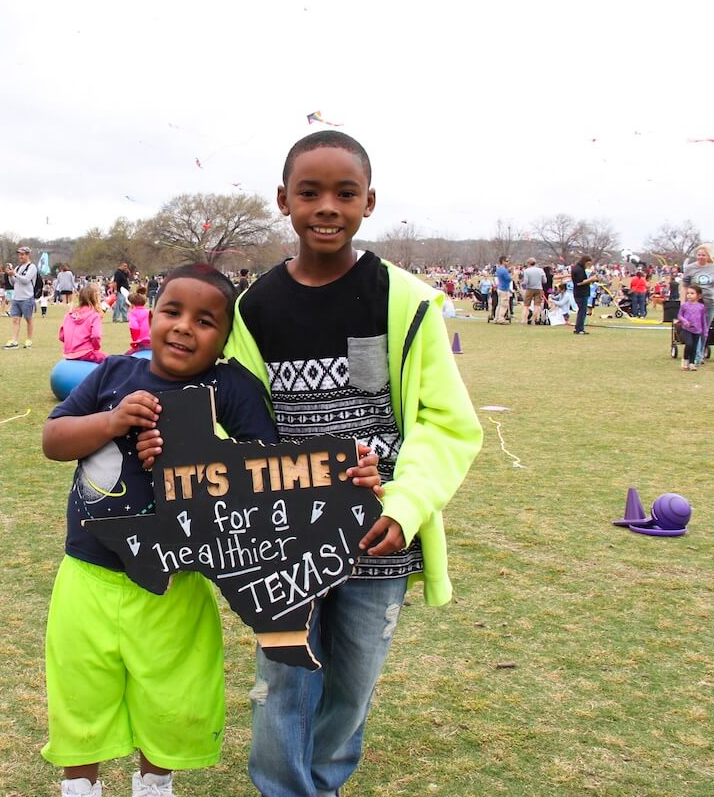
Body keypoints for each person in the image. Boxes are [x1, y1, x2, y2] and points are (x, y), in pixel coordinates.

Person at [212, 130, 481, 797]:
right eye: (310, 192)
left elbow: (448, 424)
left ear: (369, 203)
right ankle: (284, 788)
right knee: (284, 678)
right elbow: (241, 422)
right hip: (287, 535)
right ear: (283, 201)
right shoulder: (257, 308)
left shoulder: (406, 301)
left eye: (344, 193)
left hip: (378, 534)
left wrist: (405, 504)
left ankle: (325, 781)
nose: (327, 206)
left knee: (354, 680)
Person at [41, 265, 281, 797]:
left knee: (171, 693)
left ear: (225, 338)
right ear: (151, 314)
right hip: (89, 569)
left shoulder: (232, 388)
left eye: (205, 320)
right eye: (172, 311)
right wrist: (112, 422)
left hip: (178, 579)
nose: (183, 328)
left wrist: (196, 459)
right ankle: (79, 787)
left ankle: (154, 783)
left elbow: (268, 471)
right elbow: (54, 439)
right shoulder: (115, 374)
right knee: (82, 688)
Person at [684, 243, 714, 365]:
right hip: (695, 303)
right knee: (696, 329)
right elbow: (684, 285)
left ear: (708, 256)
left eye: (703, 255)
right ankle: (697, 356)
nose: (700, 257)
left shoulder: (713, 268)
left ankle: (700, 351)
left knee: (704, 330)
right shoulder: (690, 268)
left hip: (710, 302)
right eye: (699, 255)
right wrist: (684, 301)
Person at [59, 283, 107, 363]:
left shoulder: (69, 315)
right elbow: (96, 335)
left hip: (68, 354)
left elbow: (61, 336)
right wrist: (96, 348)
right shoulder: (94, 316)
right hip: (86, 353)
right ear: (96, 298)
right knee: (111, 361)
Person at [4, 247, 37, 349]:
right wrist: (10, 275)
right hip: (16, 297)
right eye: (19, 255)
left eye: (22, 254)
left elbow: (26, 280)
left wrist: (15, 274)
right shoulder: (18, 268)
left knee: (29, 319)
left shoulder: (32, 267)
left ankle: (29, 340)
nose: (20, 257)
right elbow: (13, 283)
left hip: (27, 297)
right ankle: (14, 340)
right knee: (15, 319)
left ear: (27, 255)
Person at [674, 286, 709, 371]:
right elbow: (679, 315)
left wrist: (705, 331)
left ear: (699, 296)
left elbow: (703, 319)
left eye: (692, 293)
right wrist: (685, 321)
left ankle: (692, 363)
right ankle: (685, 360)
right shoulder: (684, 306)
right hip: (687, 329)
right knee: (689, 344)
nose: (689, 295)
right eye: (688, 293)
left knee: (694, 346)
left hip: (697, 330)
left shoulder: (701, 307)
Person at [570, 254, 597, 335]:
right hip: (581, 293)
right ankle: (579, 328)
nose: (588, 266)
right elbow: (579, 282)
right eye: (588, 264)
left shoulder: (579, 269)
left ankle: (579, 328)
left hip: (581, 292)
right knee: (582, 311)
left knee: (582, 311)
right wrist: (591, 279)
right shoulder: (578, 270)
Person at [519, 257, 545, 325]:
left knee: (526, 305)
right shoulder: (540, 270)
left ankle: (523, 320)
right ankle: (533, 320)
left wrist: (522, 283)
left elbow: (526, 281)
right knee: (537, 305)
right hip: (539, 288)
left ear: (528, 263)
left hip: (530, 288)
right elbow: (544, 281)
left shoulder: (527, 271)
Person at [126, 289, 150, 354]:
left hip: (140, 342)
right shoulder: (148, 312)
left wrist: (135, 340)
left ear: (132, 304)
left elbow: (134, 327)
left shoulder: (133, 313)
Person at [492, 255, 512, 323]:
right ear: (503, 261)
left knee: (499, 304)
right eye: (507, 261)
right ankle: (500, 318)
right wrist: (513, 275)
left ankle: (496, 318)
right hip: (504, 289)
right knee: (504, 305)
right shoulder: (503, 270)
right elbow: (508, 279)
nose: (508, 262)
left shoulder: (499, 269)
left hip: (500, 288)